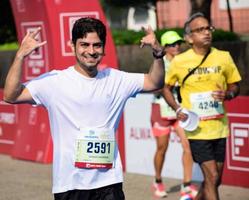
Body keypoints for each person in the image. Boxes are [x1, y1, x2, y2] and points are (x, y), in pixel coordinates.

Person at [3, 17, 165, 200]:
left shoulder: (117, 79)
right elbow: (11, 96)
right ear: (73, 46)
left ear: (103, 48)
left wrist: (158, 54)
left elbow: (154, 82)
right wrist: (20, 56)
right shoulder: (54, 81)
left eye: (97, 45)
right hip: (70, 184)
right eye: (84, 45)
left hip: (108, 183)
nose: (91, 51)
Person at [163, 12, 241, 200]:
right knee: (212, 175)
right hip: (197, 130)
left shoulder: (223, 57)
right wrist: (178, 109)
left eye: (208, 28)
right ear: (189, 38)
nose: (206, 33)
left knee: (214, 180)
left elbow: (235, 84)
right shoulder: (180, 61)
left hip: (220, 128)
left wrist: (228, 94)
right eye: (200, 30)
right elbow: (165, 88)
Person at [151, 31, 197, 199]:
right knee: (162, 149)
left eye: (178, 43)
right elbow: (154, 86)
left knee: (188, 147)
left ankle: (186, 185)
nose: (176, 46)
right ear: (165, 47)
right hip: (161, 110)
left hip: (181, 112)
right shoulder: (159, 62)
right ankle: (157, 181)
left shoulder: (185, 62)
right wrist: (167, 85)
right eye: (171, 44)